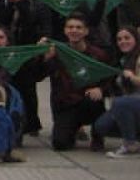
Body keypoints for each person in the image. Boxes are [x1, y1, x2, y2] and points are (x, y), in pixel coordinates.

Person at [39, 12, 111, 151]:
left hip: (88, 102)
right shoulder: (57, 53)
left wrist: (101, 90)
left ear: (86, 31)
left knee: (94, 99)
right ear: (65, 30)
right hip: (67, 105)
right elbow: (38, 76)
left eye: (79, 27)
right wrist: (45, 58)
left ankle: (97, 135)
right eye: (70, 27)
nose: (74, 30)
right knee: (60, 144)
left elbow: (109, 80)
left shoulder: (98, 55)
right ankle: (73, 130)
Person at [92, 26, 140, 157]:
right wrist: (100, 89)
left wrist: (133, 77)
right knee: (101, 126)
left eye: (127, 38)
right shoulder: (122, 61)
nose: (123, 41)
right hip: (131, 107)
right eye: (119, 39)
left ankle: (130, 144)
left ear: (136, 39)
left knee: (120, 103)